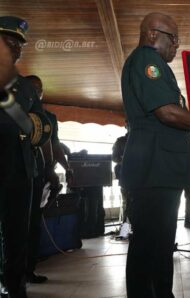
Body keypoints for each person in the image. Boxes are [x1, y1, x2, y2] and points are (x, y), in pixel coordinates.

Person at [120, 12, 190, 298]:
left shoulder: (154, 63)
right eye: (173, 38)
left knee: (160, 245)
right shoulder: (148, 60)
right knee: (148, 247)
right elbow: (167, 112)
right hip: (153, 169)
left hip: (160, 169)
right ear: (151, 35)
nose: (177, 45)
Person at [0, 16, 51, 298]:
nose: (16, 50)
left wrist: (32, 126)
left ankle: (15, 287)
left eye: (19, 46)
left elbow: (44, 125)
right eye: (10, 43)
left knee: (17, 234)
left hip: (20, 169)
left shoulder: (26, 87)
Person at [24, 75, 72, 284]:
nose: (37, 92)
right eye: (32, 88)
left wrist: (65, 168)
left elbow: (53, 145)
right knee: (13, 226)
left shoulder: (49, 118)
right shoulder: (13, 112)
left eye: (39, 88)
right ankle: (9, 275)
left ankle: (28, 270)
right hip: (14, 176)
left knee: (33, 224)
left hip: (39, 178)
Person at [111, 130, 131, 238]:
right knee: (126, 204)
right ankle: (124, 231)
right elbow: (114, 157)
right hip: (125, 175)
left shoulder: (142, 138)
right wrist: (124, 159)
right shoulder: (121, 141)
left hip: (142, 177)